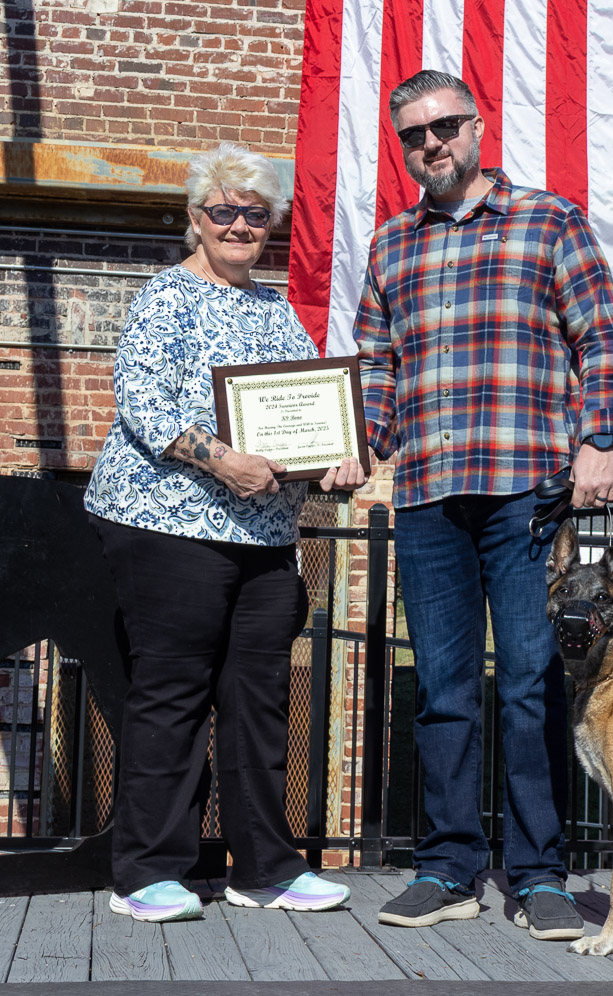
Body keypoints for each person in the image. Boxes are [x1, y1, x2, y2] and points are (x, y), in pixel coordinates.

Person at [342, 69, 613, 940]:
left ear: (476, 127)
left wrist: (599, 440)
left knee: (528, 685)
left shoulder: (549, 221)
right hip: (429, 494)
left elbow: (602, 338)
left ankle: (541, 875)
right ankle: (448, 868)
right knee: (442, 690)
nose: (430, 144)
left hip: (526, 494)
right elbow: (376, 366)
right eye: (413, 135)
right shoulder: (390, 245)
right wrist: (357, 444)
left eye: (444, 126)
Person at [84, 142, 364, 923]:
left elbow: (315, 410)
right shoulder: (165, 296)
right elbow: (144, 404)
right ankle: (147, 873)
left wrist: (337, 459)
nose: (239, 225)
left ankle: (266, 869)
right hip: (168, 525)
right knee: (172, 696)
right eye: (224, 211)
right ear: (196, 218)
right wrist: (222, 460)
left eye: (255, 214)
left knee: (259, 702)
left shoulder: (277, 311)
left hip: (265, 538)